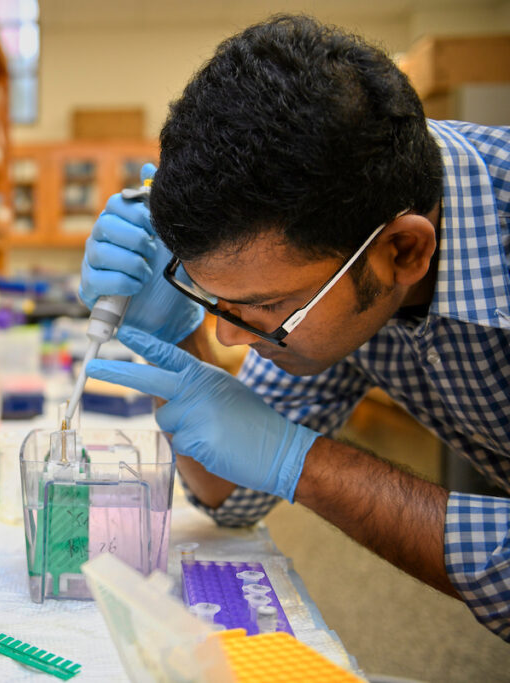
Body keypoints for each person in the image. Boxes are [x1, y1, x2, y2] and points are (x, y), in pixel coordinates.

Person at [79, 14, 510, 641]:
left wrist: (300, 463)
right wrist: (176, 339)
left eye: (270, 306)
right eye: (214, 299)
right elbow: (232, 496)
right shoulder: (340, 258)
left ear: (404, 253)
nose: (230, 338)